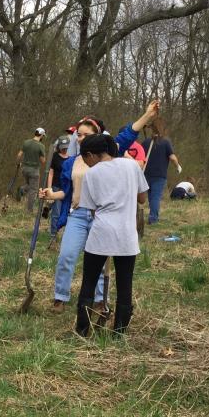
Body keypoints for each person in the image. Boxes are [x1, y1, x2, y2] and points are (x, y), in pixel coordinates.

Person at [40, 100, 159, 313]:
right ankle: (60, 297)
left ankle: (99, 299)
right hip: (77, 214)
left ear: (98, 135)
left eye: (85, 134)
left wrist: (147, 116)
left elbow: (129, 133)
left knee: (100, 262)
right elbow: (68, 193)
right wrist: (51, 194)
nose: (79, 138)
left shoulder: (106, 152)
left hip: (101, 215)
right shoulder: (72, 161)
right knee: (66, 255)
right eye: (78, 134)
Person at [73, 133, 148, 337]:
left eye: (85, 159)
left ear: (90, 155)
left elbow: (91, 209)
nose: (86, 164)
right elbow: (142, 198)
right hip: (126, 235)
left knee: (88, 282)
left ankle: (82, 330)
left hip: (100, 235)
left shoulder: (92, 174)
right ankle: (119, 333)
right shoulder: (131, 166)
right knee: (125, 284)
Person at [140, 119, 182, 224]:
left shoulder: (145, 142)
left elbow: (140, 157)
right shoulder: (165, 142)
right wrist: (178, 166)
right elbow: (172, 157)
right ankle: (153, 219)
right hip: (159, 175)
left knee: (151, 196)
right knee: (155, 197)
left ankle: (152, 215)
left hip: (146, 175)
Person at [16, 128, 46, 213]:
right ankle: (29, 210)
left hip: (24, 169)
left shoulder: (26, 142)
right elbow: (43, 161)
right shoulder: (41, 146)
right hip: (34, 170)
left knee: (29, 185)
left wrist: (18, 163)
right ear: (41, 135)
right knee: (33, 190)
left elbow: (19, 154)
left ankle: (22, 189)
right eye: (43, 135)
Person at [46, 135, 70, 239]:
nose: (64, 149)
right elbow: (50, 173)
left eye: (66, 147)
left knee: (65, 212)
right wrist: (49, 188)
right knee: (56, 212)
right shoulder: (55, 157)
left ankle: (47, 208)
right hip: (56, 187)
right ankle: (53, 235)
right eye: (62, 147)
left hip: (67, 189)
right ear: (59, 146)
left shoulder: (71, 157)